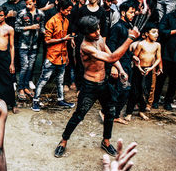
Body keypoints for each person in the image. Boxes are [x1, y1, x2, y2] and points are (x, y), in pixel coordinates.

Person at [54, 16, 140, 158]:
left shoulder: (98, 38)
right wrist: (130, 38)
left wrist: (121, 70)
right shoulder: (85, 46)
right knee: (79, 115)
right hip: (89, 86)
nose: (98, 32)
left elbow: (110, 54)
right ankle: (63, 142)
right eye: (93, 31)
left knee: (110, 112)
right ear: (86, 33)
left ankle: (106, 142)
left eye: (98, 28)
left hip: (104, 84)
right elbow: (111, 58)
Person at [32, 0, 74, 111]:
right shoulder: (52, 21)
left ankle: (61, 100)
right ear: (61, 9)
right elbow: (47, 41)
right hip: (51, 56)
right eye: (68, 10)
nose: (69, 12)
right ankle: (35, 101)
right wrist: (62, 39)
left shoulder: (66, 21)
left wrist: (67, 56)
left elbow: (65, 41)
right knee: (43, 79)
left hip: (62, 56)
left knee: (60, 80)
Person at [106, 1, 136, 125]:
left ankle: (114, 115)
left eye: (134, 12)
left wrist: (133, 56)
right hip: (119, 64)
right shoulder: (117, 27)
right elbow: (111, 48)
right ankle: (108, 113)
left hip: (126, 62)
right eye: (131, 12)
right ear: (123, 13)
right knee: (120, 90)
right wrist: (114, 66)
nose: (133, 15)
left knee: (124, 90)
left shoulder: (128, 26)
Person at [125, 23, 161, 121]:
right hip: (138, 70)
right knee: (135, 91)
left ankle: (141, 111)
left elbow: (158, 58)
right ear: (146, 34)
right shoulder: (141, 44)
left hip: (149, 69)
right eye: (153, 32)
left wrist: (152, 68)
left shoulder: (157, 45)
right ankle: (129, 112)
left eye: (157, 32)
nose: (156, 34)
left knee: (145, 91)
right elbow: (134, 57)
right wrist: (139, 67)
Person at [15, 0, 45, 101]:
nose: (28, 6)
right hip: (23, 44)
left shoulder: (40, 14)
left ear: (35, 2)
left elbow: (42, 27)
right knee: (24, 66)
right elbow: (17, 28)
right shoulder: (21, 13)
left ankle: (26, 86)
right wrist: (30, 27)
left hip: (35, 45)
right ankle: (20, 88)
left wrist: (46, 32)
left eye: (30, 4)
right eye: (26, 4)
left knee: (31, 66)